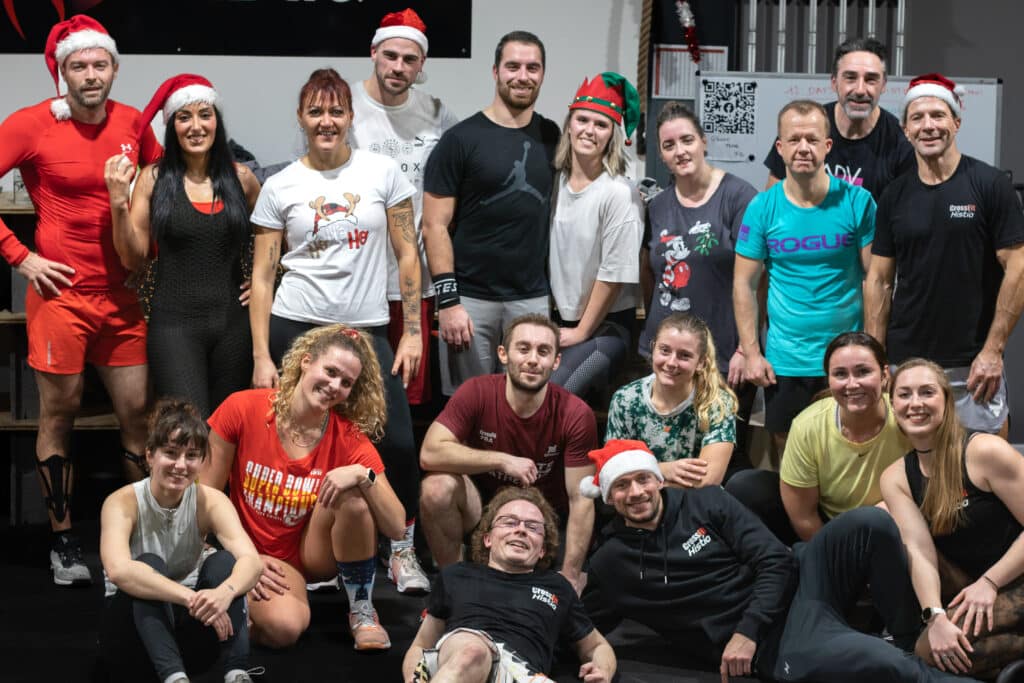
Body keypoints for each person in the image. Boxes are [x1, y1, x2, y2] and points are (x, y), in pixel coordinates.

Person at [582, 439, 980, 682]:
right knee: (887, 665)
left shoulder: (706, 501)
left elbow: (774, 559)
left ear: (657, 478)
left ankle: (910, 637)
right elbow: (578, 625)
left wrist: (747, 630)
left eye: (642, 479)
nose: (635, 492)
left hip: (796, 590)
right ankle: (914, 663)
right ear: (608, 496)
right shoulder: (611, 562)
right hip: (778, 644)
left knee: (869, 521)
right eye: (621, 486)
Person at [248, 67, 425, 595]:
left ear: (350, 117)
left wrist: (412, 331)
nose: (327, 121)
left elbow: (407, 254)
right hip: (295, 325)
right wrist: (261, 353)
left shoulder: (384, 173)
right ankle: (307, 554)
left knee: (394, 441)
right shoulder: (281, 185)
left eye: (336, 111)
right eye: (315, 111)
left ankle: (403, 550)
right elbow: (261, 276)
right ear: (302, 118)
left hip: (364, 329)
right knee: (297, 441)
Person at [0, 15, 161, 585]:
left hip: (122, 298)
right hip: (60, 298)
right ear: (61, 71)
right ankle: (63, 542)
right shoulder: (29, 124)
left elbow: (160, 195)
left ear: (114, 68)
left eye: (99, 64)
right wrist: (21, 257)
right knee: (59, 414)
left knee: (137, 418)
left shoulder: (134, 123)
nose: (90, 75)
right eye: (78, 65)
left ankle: (146, 540)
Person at [201, 325, 407, 651]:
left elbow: (397, 526)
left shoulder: (349, 438)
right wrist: (236, 557)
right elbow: (205, 495)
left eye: (346, 383)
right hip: (240, 547)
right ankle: (226, 610)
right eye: (330, 371)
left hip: (305, 556)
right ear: (305, 362)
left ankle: (362, 610)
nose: (334, 386)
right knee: (284, 629)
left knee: (355, 496)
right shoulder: (242, 408)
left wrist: (362, 474)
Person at [349, 8, 459, 593]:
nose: (398, 67)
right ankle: (352, 540)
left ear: (422, 63)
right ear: (373, 54)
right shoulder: (342, 107)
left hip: (407, 291)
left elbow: (448, 199)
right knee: (350, 415)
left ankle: (403, 543)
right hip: (355, 286)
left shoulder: (439, 114)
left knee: (401, 425)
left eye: (409, 58)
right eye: (389, 55)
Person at [865, 73, 1024, 438]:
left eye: (938, 115)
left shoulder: (990, 184)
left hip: (972, 362)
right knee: (914, 469)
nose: (928, 126)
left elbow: (1018, 266)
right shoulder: (894, 195)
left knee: (985, 470)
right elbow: (878, 278)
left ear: (956, 121)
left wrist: (993, 350)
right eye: (917, 118)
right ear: (905, 130)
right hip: (908, 359)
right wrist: (877, 355)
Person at [105, 74, 260, 417]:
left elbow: (275, 241)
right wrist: (118, 204)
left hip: (234, 326)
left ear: (217, 122)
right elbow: (133, 258)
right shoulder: (153, 179)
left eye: (205, 115)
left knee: (225, 433)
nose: (196, 126)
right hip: (174, 327)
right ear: (171, 125)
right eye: (184, 117)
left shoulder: (243, 180)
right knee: (190, 428)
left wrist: (268, 283)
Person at [734, 99, 875, 456]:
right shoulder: (762, 207)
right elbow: (744, 284)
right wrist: (751, 352)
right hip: (786, 361)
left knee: (851, 451)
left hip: (846, 359)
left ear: (827, 146)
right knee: (792, 458)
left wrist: (875, 349)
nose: (803, 148)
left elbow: (876, 281)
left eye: (812, 139)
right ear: (779, 148)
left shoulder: (858, 202)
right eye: (794, 140)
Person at [422, 30, 560, 396]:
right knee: (469, 405)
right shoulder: (461, 140)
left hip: (531, 297)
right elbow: (434, 225)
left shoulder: (551, 136)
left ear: (543, 74)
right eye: (513, 66)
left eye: (533, 67)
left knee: (527, 404)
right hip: (470, 299)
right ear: (496, 71)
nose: (522, 76)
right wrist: (449, 301)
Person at [419, 314, 597, 594]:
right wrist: (501, 459)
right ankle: (452, 585)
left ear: (556, 361)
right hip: (481, 509)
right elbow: (430, 453)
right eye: (523, 348)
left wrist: (572, 574)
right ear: (503, 354)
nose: (533, 360)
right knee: (436, 487)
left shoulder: (575, 414)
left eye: (543, 351)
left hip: (543, 515)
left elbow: (582, 497)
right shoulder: (476, 391)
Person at [99, 399, 262, 683]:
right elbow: (119, 570)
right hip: (131, 632)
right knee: (145, 566)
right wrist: (188, 597)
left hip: (185, 626)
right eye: (171, 453)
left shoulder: (211, 501)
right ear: (150, 455)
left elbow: (252, 562)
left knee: (225, 562)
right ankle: (175, 678)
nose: (180, 465)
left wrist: (225, 591)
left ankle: (236, 671)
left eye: (191, 456)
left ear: (201, 461)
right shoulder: (121, 501)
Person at [881, 358, 1024, 680]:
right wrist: (935, 617)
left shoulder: (985, 451)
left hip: (1011, 576)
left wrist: (990, 582)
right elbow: (919, 551)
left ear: (946, 400)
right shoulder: (896, 478)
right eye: (904, 395)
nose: (915, 403)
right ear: (893, 405)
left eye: (927, 392)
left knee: (935, 656)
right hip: (971, 585)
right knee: (930, 648)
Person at [642, 101, 757, 466]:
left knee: (717, 460)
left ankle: (708, 526)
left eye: (687, 140)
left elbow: (759, 280)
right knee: (670, 454)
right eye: (669, 145)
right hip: (666, 354)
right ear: (661, 153)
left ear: (704, 142)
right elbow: (650, 272)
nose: (680, 151)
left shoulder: (739, 197)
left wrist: (746, 348)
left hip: (724, 355)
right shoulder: (656, 206)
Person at [402, 486, 616, 683]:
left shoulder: (557, 587)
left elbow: (597, 645)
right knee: (473, 652)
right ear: (488, 539)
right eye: (509, 522)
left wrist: (603, 670)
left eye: (533, 527)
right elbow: (421, 645)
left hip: (521, 674)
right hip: (463, 661)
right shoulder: (456, 575)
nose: (521, 530)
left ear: (542, 549)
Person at [725, 331, 908, 544]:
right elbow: (803, 517)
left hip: (894, 522)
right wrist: (832, 557)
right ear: (828, 379)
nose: (852, 384)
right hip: (828, 528)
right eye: (840, 374)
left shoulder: (906, 415)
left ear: (885, 374)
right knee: (745, 485)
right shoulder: (807, 425)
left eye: (863, 372)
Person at [547, 71, 643, 399]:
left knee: (554, 391)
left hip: (606, 327)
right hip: (558, 320)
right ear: (569, 125)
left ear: (612, 136)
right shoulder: (553, 183)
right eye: (582, 120)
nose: (589, 130)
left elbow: (614, 274)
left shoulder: (619, 193)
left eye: (601, 125)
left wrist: (581, 331)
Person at [763, 37, 914, 199]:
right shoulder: (804, 127)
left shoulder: (900, 143)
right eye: (850, 77)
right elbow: (772, 202)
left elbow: (905, 214)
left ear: (883, 85)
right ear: (834, 82)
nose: (860, 90)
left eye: (871, 79)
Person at [605, 313, 738, 488]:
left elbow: (708, 479)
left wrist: (642, 474)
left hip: (696, 503)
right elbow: (613, 470)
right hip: (638, 505)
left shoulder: (717, 403)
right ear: (653, 349)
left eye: (684, 356)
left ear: (701, 363)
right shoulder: (625, 399)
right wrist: (663, 469)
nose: (671, 362)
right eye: (665, 350)